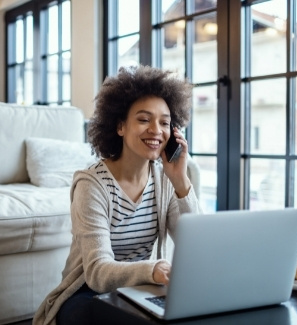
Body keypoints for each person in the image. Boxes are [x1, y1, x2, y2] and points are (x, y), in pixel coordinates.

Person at [33, 65, 202, 325]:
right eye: (144, 119)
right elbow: (98, 273)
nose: (156, 130)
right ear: (120, 126)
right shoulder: (92, 185)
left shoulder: (165, 181)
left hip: (140, 288)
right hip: (86, 292)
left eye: (165, 122)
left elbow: (195, 245)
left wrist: (180, 180)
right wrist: (154, 269)